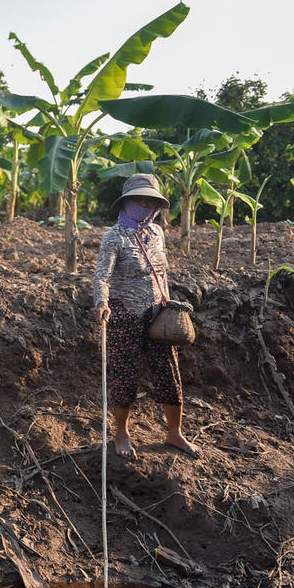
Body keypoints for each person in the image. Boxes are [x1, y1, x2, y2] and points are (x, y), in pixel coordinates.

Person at [92, 172, 199, 459]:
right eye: (139, 199)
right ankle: (121, 433)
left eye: (150, 200)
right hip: (124, 314)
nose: (144, 205)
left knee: (168, 374)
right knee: (125, 375)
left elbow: (162, 272)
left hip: (158, 316)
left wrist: (168, 301)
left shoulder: (157, 233)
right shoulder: (113, 236)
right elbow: (102, 276)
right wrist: (101, 303)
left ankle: (174, 433)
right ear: (126, 203)